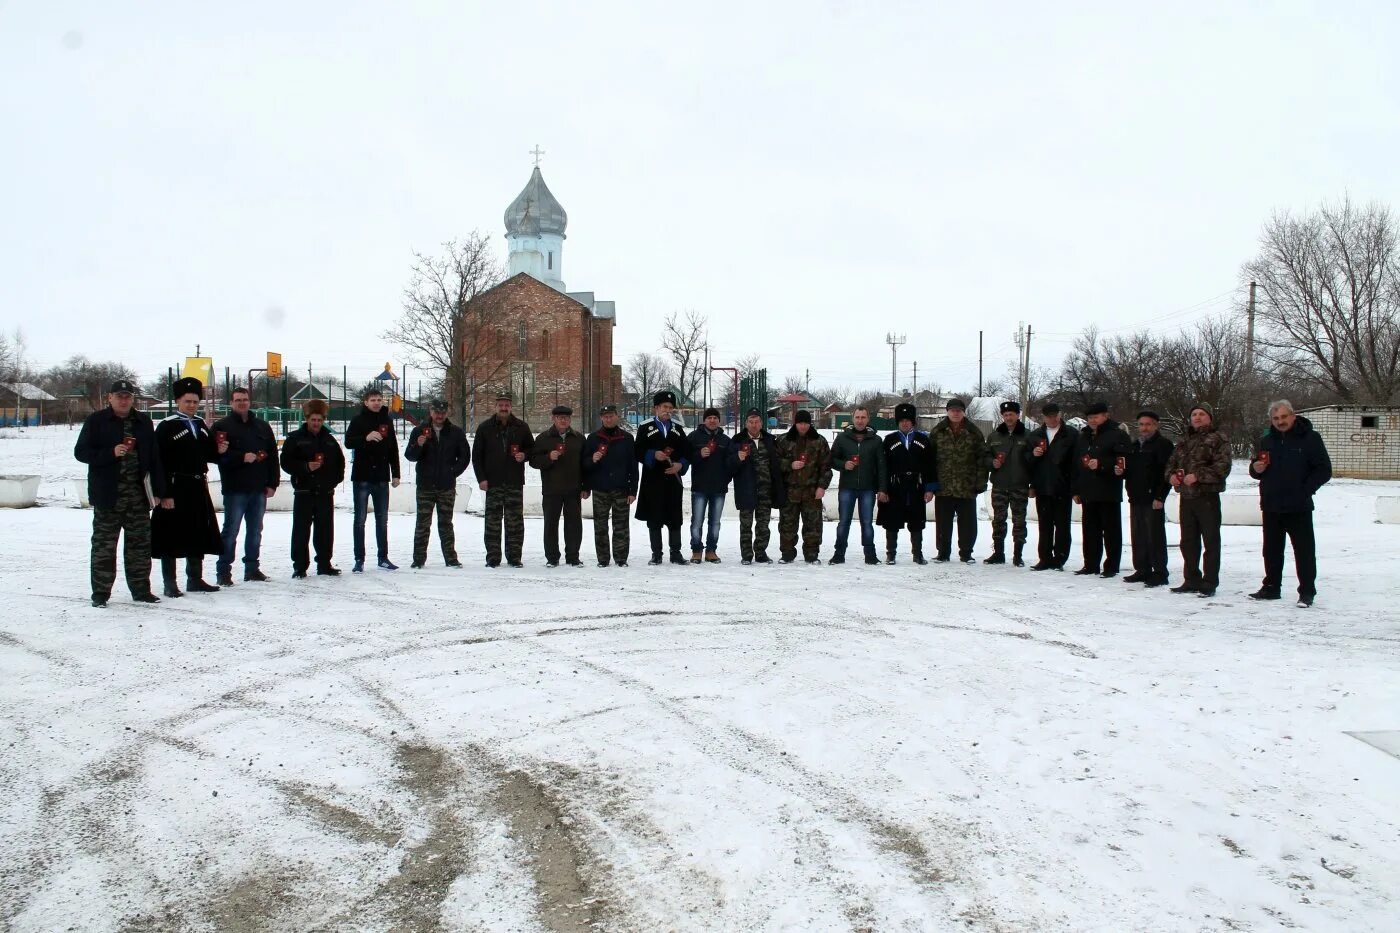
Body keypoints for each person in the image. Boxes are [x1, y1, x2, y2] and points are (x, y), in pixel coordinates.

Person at [74, 379, 165, 607]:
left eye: (128, 396)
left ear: (133, 399)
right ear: (110, 398)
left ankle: (141, 590)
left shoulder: (143, 422)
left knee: (140, 547)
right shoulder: (97, 421)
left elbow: (154, 458)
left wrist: (159, 491)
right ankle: (101, 594)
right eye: (120, 396)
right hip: (108, 497)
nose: (124, 400)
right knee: (104, 548)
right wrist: (110, 453)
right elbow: (81, 452)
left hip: (138, 497)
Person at [1248, 400, 1332, 607]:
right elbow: (1256, 468)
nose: (1280, 421)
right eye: (1276, 418)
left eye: (1284, 417)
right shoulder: (1266, 441)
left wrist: (1305, 490)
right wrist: (1255, 469)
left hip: (1298, 505)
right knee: (1271, 550)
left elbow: (1323, 470)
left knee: (1303, 551)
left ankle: (1306, 592)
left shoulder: (1310, 438)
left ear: (1293, 416)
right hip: (1271, 505)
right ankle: (1271, 587)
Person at [151, 377, 223, 597]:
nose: (191, 405)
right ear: (178, 401)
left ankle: (195, 578)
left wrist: (220, 450)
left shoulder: (200, 425)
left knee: (197, 529)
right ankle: (170, 582)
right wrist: (164, 493)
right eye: (187, 401)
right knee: (170, 534)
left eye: (195, 401)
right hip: (175, 485)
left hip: (197, 485)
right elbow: (158, 462)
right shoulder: (167, 426)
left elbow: (209, 454)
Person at [1165, 402, 1232, 598]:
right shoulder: (1184, 441)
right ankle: (1191, 579)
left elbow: (1223, 467)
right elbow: (1171, 464)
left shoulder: (1219, 438)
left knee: (1210, 541)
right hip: (1186, 497)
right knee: (1188, 541)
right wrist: (1171, 476)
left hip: (1207, 496)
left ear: (1210, 417)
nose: (1197, 417)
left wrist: (1198, 475)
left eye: (1202, 414)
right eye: (1194, 414)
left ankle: (1209, 582)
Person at [212, 386, 278, 585]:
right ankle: (223, 572)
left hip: (258, 488)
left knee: (255, 530)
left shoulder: (262, 426)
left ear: (250, 402)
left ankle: (252, 568)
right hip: (235, 489)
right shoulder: (221, 427)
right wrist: (241, 457)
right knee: (231, 531)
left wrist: (273, 483)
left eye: (245, 399)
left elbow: (273, 456)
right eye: (238, 400)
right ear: (231, 403)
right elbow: (215, 456)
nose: (242, 403)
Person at [280, 399, 346, 577]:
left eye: (319, 420)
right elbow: (286, 462)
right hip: (304, 492)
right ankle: (300, 567)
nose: (316, 423)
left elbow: (340, 464)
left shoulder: (330, 441)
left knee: (325, 530)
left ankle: (324, 563)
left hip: (325, 493)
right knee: (301, 530)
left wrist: (332, 482)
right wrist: (305, 468)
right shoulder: (295, 439)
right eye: (313, 420)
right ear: (307, 419)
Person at [404, 399, 470, 569]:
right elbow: (410, 456)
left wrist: (452, 472)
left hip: (446, 486)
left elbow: (464, 457)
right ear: (430, 412)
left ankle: (450, 558)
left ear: (447, 413)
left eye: (442, 412)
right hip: (425, 485)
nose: (439, 416)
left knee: (446, 524)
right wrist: (418, 445)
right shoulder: (419, 431)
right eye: (436, 412)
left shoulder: (455, 432)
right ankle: (418, 559)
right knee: (422, 524)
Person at [473, 391, 534, 568]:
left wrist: (525, 455)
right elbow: (477, 456)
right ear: (496, 406)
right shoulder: (485, 427)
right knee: (492, 522)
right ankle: (493, 557)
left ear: (511, 406)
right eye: (501, 405)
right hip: (493, 482)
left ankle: (514, 557)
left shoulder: (521, 427)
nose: (504, 408)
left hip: (514, 481)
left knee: (515, 522)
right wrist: (481, 479)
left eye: (507, 405)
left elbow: (532, 449)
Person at [344, 388, 402, 572]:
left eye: (379, 399)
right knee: (360, 520)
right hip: (362, 477)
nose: (376, 402)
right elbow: (348, 441)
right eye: (373, 400)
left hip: (381, 478)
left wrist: (396, 473)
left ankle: (383, 557)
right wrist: (365, 438)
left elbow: (393, 449)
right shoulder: (358, 420)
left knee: (382, 520)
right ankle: (359, 559)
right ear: (366, 402)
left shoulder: (387, 421)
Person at [1071, 401, 1131, 577]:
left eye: (1096, 417)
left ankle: (1111, 566)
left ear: (1105, 416)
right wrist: (1075, 489)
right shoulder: (1083, 436)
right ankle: (1090, 564)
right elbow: (1075, 464)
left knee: (1111, 531)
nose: (1092, 420)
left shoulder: (1117, 434)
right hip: (1088, 491)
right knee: (1090, 530)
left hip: (1108, 490)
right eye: (1089, 417)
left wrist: (1103, 464)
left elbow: (1125, 460)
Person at [634, 390, 690, 565]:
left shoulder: (678, 429)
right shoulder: (645, 428)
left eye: (671, 408)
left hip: (673, 481)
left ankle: (676, 552)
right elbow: (637, 451)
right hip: (653, 480)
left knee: (674, 518)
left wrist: (680, 465)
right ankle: (656, 553)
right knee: (654, 517)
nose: (668, 410)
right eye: (665, 407)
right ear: (656, 408)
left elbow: (687, 452)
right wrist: (652, 454)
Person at [876, 403, 936, 564]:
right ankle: (891, 554)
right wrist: (883, 489)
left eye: (908, 420)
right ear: (897, 422)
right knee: (892, 521)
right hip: (895, 486)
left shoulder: (923, 440)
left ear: (913, 422)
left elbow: (930, 465)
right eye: (902, 420)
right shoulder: (889, 440)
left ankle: (917, 554)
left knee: (916, 522)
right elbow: (883, 467)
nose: (905, 423)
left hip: (916, 487)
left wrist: (930, 489)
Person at [930, 398, 987, 563]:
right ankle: (943, 552)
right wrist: (931, 484)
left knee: (968, 523)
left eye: (959, 410)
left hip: (966, 485)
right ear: (947, 412)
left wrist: (980, 483)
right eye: (952, 410)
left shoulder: (974, 432)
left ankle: (966, 552)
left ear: (963, 412)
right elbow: (930, 460)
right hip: (944, 485)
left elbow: (982, 459)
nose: (956, 413)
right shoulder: (937, 431)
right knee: (943, 523)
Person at [829, 406, 888, 565]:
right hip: (847, 487)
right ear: (852, 418)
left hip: (868, 488)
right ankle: (839, 554)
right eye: (857, 417)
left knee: (867, 523)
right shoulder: (842, 438)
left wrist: (882, 488)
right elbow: (831, 459)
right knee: (844, 522)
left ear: (868, 419)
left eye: (863, 417)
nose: (860, 420)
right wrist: (843, 464)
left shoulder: (876, 440)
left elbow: (881, 466)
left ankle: (870, 555)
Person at [530, 405, 587, 567]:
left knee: (574, 524)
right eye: (560, 418)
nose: (563, 420)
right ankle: (552, 557)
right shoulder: (543, 438)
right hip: (551, 489)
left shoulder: (579, 439)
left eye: (566, 418)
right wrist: (549, 457)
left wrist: (585, 486)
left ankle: (573, 556)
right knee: (550, 524)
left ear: (570, 419)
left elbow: (585, 465)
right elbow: (533, 461)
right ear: (553, 418)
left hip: (573, 489)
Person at [1124, 409, 1175, 587]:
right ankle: (1142, 568)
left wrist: (1160, 496)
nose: (1144, 428)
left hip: (1153, 497)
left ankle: (1160, 571)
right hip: (1136, 496)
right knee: (1138, 535)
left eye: (1148, 424)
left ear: (1156, 425)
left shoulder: (1163, 445)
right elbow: (1130, 470)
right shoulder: (1135, 445)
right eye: (1141, 424)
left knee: (1155, 535)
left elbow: (1166, 473)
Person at [582, 404, 637, 567]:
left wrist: (633, 490)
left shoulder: (627, 438)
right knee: (600, 526)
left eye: (611, 415)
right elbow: (584, 465)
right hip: (600, 488)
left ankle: (621, 558)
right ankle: (603, 559)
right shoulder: (593, 438)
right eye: (605, 416)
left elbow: (633, 466)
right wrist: (592, 460)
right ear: (601, 418)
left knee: (621, 526)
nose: (608, 418)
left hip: (621, 488)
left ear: (617, 416)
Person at [730, 408, 786, 565]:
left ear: (761, 423)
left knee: (763, 524)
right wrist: (737, 458)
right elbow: (728, 466)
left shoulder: (770, 440)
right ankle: (746, 555)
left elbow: (777, 463)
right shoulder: (737, 440)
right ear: (746, 423)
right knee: (746, 524)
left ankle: (760, 552)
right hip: (746, 489)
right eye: (751, 422)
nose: (754, 425)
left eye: (757, 422)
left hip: (765, 490)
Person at [1025, 402, 1077, 571]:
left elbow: (1076, 461)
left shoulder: (1070, 434)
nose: (1052, 419)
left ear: (1060, 415)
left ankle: (1059, 558)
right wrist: (1033, 455)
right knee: (1044, 524)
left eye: (1054, 415)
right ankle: (1044, 558)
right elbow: (1027, 462)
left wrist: (1074, 486)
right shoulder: (1036, 435)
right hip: (1042, 486)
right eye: (1048, 416)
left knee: (1062, 525)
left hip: (1063, 486)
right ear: (1043, 417)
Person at [775, 410, 831, 564]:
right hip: (789, 491)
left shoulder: (819, 441)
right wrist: (789, 464)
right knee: (787, 525)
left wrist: (822, 486)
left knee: (813, 525)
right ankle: (787, 553)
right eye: (800, 423)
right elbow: (774, 463)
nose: (803, 426)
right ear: (795, 423)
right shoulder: (783, 440)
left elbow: (826, 467)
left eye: (806, 423)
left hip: (811, 491)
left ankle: (812, 553)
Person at [983, 401, 1032, 566]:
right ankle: (998, 553)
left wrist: (1033, 484)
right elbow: (985, 456)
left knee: (1019, 521)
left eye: (1011, 414)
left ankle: (1018, 555)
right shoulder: (994, 436)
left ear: (1018, 415)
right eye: (1005, 415)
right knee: (998, 520)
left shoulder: (1028, 435)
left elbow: (1034, 462)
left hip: (1020, 484)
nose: (1008, 417)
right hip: (1000, 485)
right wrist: (992, 463)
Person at [688, 407, 733, 563]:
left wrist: (725, 480)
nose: (712, 420)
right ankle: (696, 550)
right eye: (709, 418)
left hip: (718, 489)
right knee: (697, 521)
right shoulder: (694, 437)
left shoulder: (726, 440)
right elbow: (686, 459)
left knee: (715, 522)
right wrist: (698, 455)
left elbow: (730, 464)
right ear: (704, 420)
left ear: (719, 421)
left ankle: (711, 550)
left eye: (715, 418)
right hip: (699, 487)